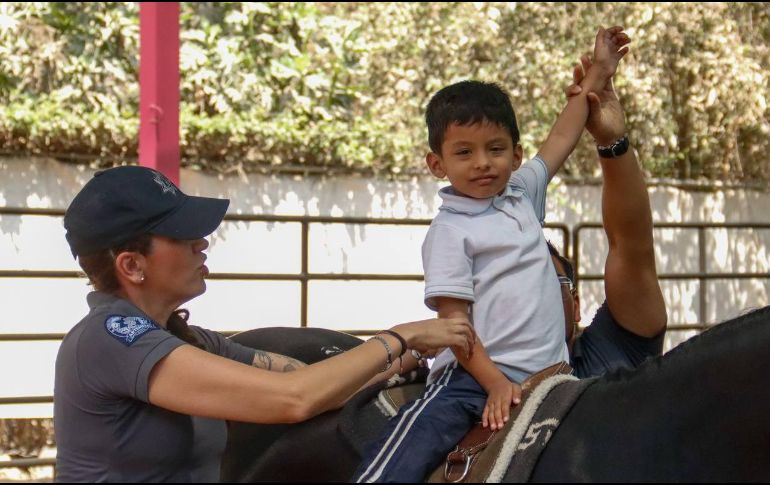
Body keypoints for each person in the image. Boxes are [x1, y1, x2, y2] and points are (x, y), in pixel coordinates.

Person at [53, 166, 475, 482]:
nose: (201, 244)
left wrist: (408, 358)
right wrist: (401, 336)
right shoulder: (110, 338)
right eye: (182, 236)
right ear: (132, 264)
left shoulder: (188, 341)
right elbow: (292, 398)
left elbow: (310, 381)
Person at [353, 27, 630, 483]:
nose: (482, 162)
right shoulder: (451, 230)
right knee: (416, 440)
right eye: (464, 152)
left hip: (553, 378)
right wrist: (495, 383)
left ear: (517, 155)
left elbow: (564, 133)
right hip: (471, 377)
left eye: (495, 149)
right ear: (437, 164)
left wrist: (600, 71)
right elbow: (453, 327)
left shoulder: (522, 193)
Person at [554, 54, 668, 378]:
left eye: (548, 283)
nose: (533, 297)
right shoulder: (476, 391)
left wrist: (611, 142)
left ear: (575, 306)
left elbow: (630, 245)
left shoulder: (613, 348)